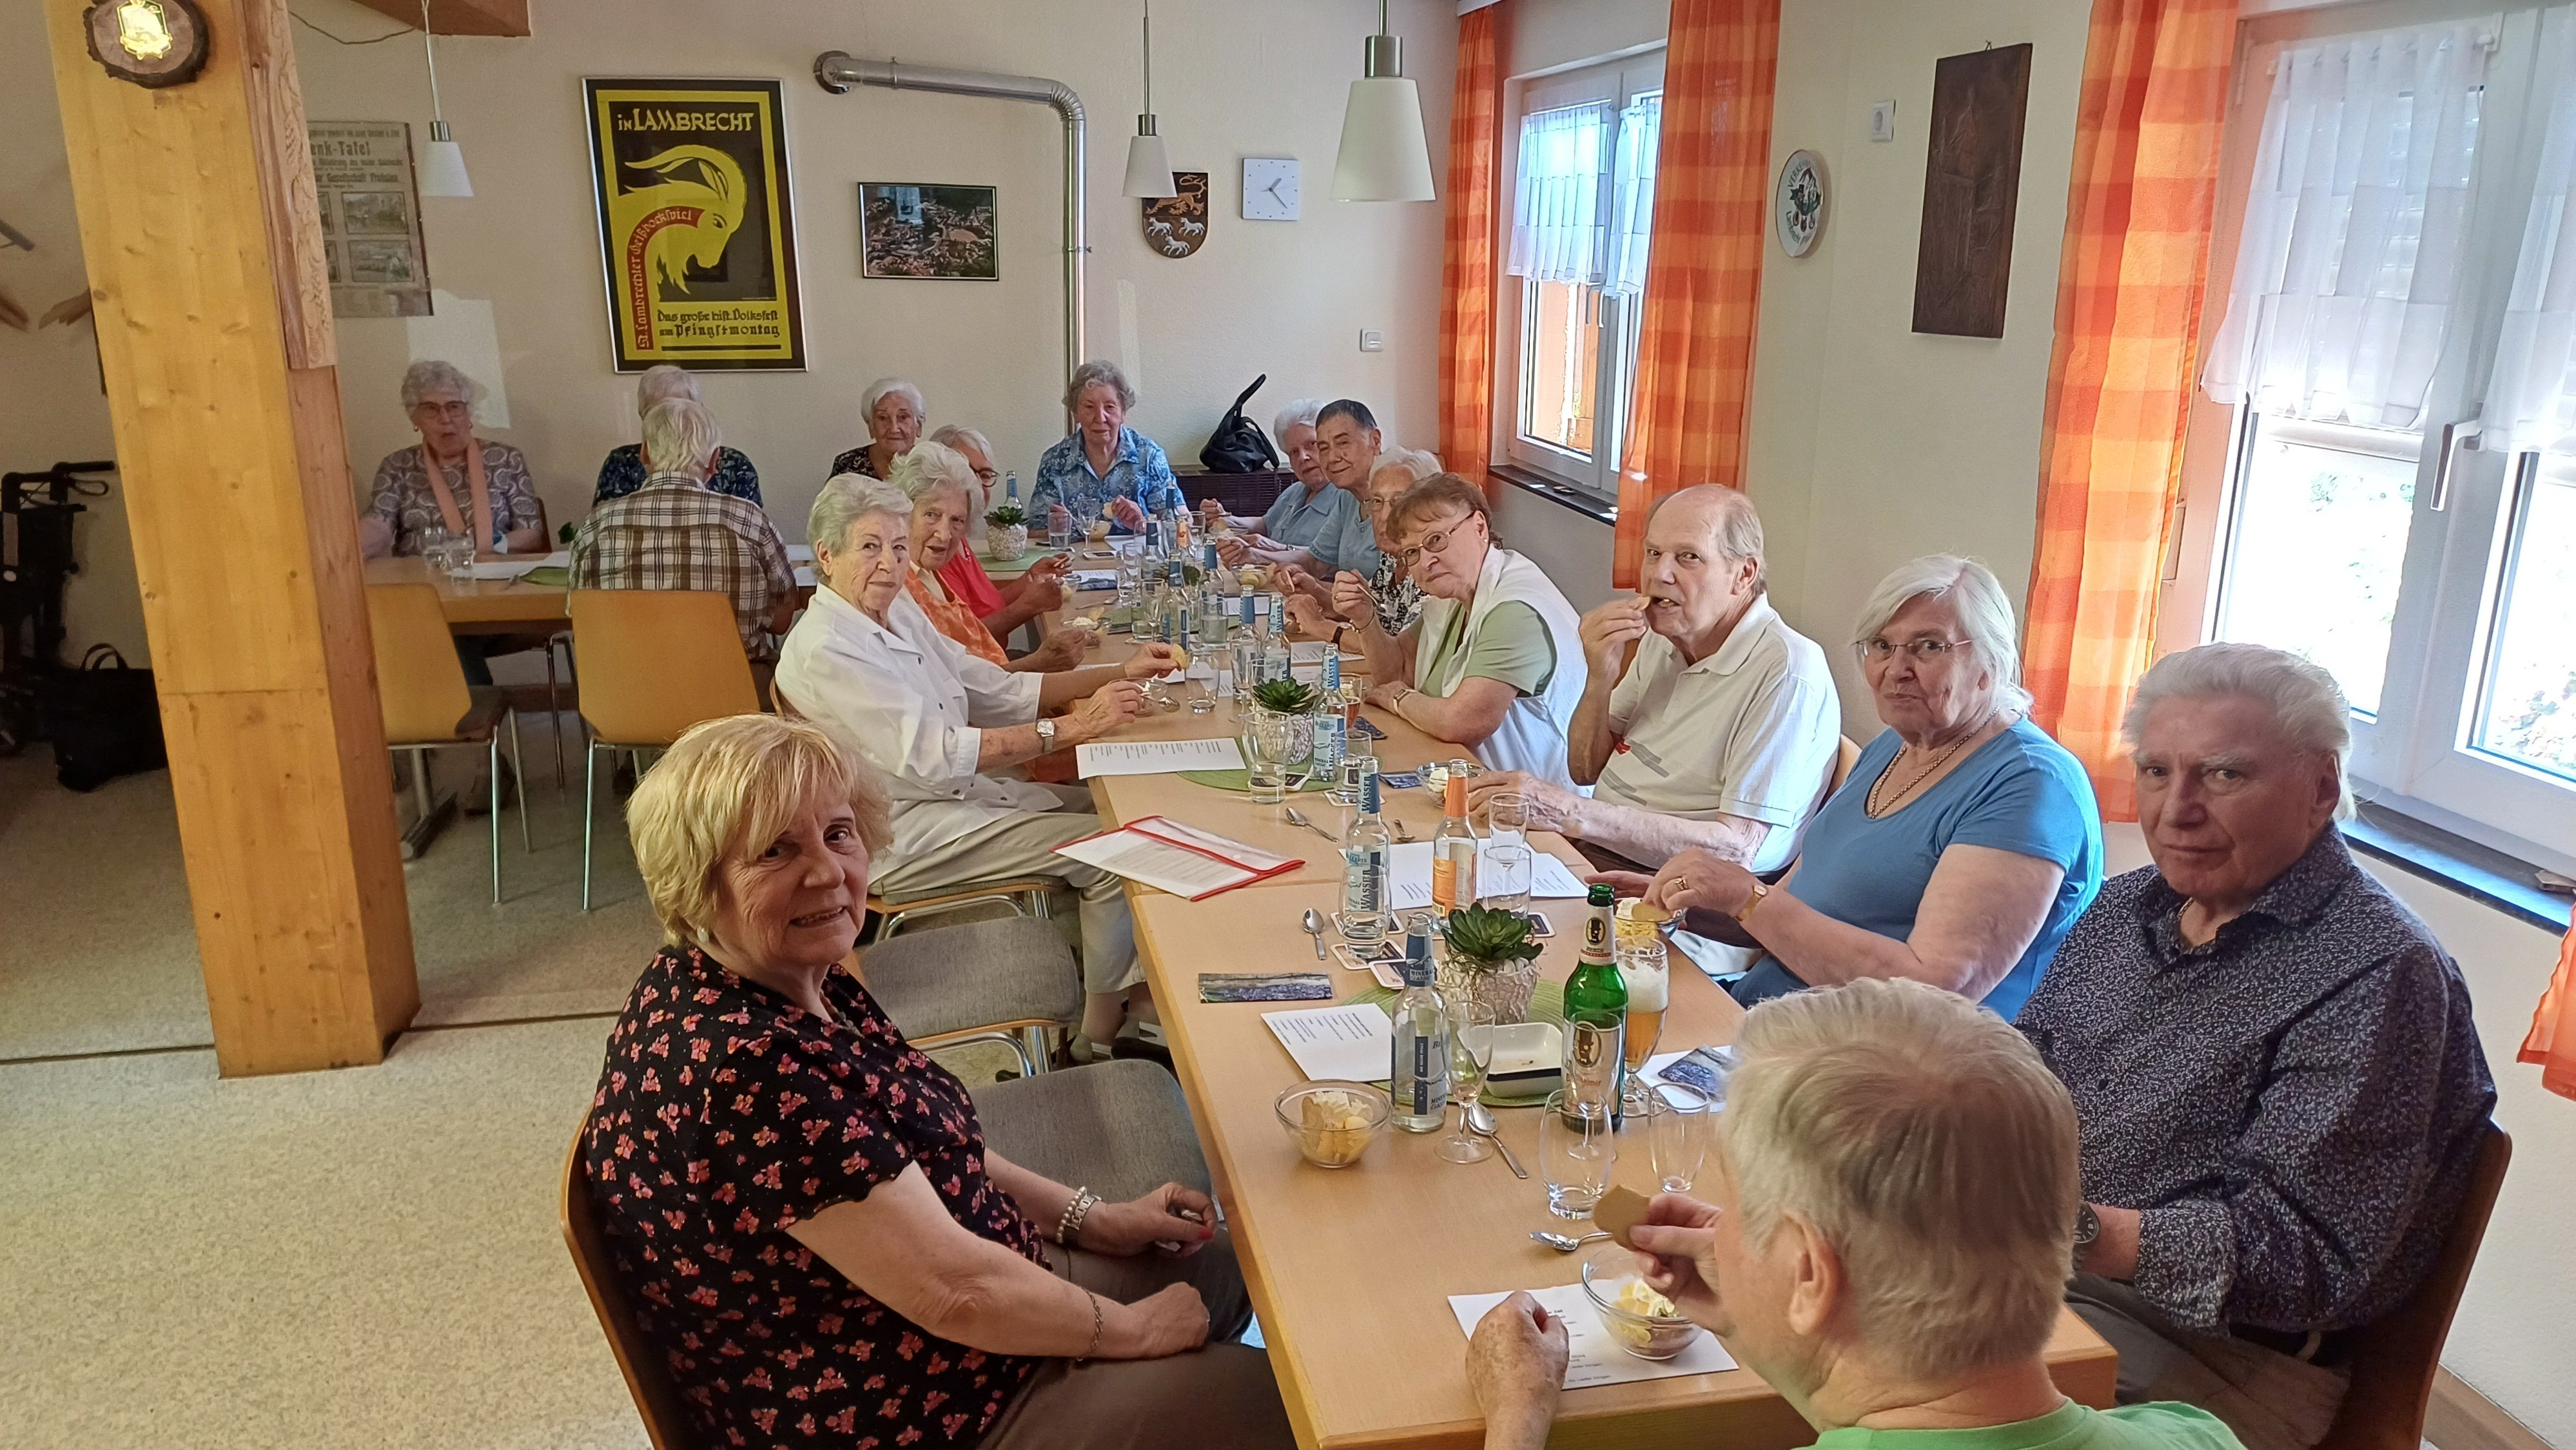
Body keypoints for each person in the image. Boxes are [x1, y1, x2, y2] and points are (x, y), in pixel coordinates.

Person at [583, 713, 1293, 1450]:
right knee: (1285, 1403)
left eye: (838, 834)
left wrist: (1097, 1218)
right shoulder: (746, 1074)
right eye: (774, 851)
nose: (828, 873)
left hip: (933, 1314)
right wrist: (1136, 1334)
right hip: (901, 1401)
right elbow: (954, 1294)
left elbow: (926, 1142)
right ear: (696, 880)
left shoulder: (783, 974)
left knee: (1227, 1263)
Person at [2020, 644, 2497, 1450]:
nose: (2177, 810)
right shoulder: (2129, 907)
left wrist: (2058, 1227)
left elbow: (2305, 1258)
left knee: (1907, 1390)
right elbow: (2020, 1069)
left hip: (2217, 1356)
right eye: (2158, 771)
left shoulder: (2378, 972)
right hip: (2036, 1272)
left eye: (2225, 775)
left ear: (2321, 788)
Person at [1466, 978, 2243, 1450]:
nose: (1721, 1229)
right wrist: (1757, 1313)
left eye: (1736, 1205)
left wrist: (1518, 1415)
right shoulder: (2196, 1435)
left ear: (1811, 1272)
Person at [774, 476, 1179, 1054]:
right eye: (869, 547)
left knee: (1118, 810)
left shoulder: (894, 609)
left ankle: (1127, 991)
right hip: (901, 832)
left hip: (951, 798)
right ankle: (1098, 1038)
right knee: (1114, 851)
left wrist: (1119, 673)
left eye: (895, 546)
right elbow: (937, 758)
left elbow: (989, 687)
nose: (888, 564)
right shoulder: (826, 649)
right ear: (826, 556)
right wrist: (1075, 727)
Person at [1637, 556, 2101, 1021]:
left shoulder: (2031, 785)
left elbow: (1932, 992)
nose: (1896, 669)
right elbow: (1794, 913)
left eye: (1928, 647)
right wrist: (1687, 899)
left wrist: (1745, 897)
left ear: (1989, 662)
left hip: (1883, 1067)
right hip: (1770, 1020)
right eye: (1882, 645)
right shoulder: (1893, 746)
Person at [1466, 486, 1841, 879]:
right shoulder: (1664, 638)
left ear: (1742, 575)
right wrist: (1599, 678)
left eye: (1688, 557)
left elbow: (1739, 850)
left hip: (1677, 894)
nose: (1660, 574)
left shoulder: (1786, 669)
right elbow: (1585, 770)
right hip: (1600, 852)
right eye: (1653, 553)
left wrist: (1571, 812)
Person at [1358, 474, 1587, 786]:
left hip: (1533, 806)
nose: (1426, 561)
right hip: (1466, 778)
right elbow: (1397, 668)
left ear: (1479, 527)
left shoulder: (1516, 609)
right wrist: (1364, 618)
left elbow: (1462, 722)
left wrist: (1398, 698)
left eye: (1436, 540)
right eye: (1412, 553)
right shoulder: (1453, 595)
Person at [568, 398, 797, 664]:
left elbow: (579, 617)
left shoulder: (597, 525)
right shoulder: (749, 521)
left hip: (625, 697)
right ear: (714, 461)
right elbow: (781, 621)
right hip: (732, 695)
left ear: (645, 454)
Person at [889, 441, 1087, 673]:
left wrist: (1029, 579)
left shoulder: (928, 572)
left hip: (999, 676)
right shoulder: (897, 586)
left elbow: (972, 637)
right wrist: (1039, 664)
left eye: (957, 521)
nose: (944, 535)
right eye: (932, 514)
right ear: (904, 512)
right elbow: (958, 686)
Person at [360, 360, 547, 563]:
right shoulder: (397, 465)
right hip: (423, 579)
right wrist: (351, 550)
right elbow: (378, 524)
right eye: (431, 409)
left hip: (495, 574)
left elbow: (531, 533)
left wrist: (491, 544)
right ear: (415, 418)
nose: (445, 418)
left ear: (468, 413)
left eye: (454, 407)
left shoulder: (507, 459)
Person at [925, 423, 1073, 645]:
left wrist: (1030, 579)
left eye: (985, 475)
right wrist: (1029, 606)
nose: (977, 484)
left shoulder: (961, 538)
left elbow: (986, 605)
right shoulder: (939, 546)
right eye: (966, 472)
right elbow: (965, 639)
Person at [1282, 447, 1437, 637]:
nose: (1384, 516)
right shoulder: (1392, 559)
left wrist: (1319, 625)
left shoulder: (1432, 567)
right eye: (1377, 502)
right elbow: (1374, 618)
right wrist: (1315, 590)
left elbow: (1402, 654)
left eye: (1398, 502)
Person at [1032, 360, 1184, 537]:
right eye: (1089, 407)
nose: (1100, 417)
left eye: (1110, 407)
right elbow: (1034, 532)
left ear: (1123, 412)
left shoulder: (1149, 456)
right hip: (1074, 563)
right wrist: (1059, 527)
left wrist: (1143, 524)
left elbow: (1182, 526)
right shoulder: (1055, 461)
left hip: (1136, 561)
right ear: (1075, 413)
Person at [1205, 398, 1350, 567]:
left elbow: (1325, 561)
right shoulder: (1296, 491)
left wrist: (1266, 549)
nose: (1303, 457)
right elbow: (1266, 524)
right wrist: (1226, 518)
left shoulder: (1345, 498)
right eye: (1294, 452)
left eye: (1312, 444)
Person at [592, 364, 762, 505]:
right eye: (659, 413)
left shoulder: (736, 465)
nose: (671, 419)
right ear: (642, 415)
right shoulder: (622, 462)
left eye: (682, 409)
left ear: (700, 411)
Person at [829, 376, 926, 479]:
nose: (894, 429)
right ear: (871, 426)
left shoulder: (933, 468)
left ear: (918, 426)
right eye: (883, 418)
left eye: (903, 417)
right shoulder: (847, 465)